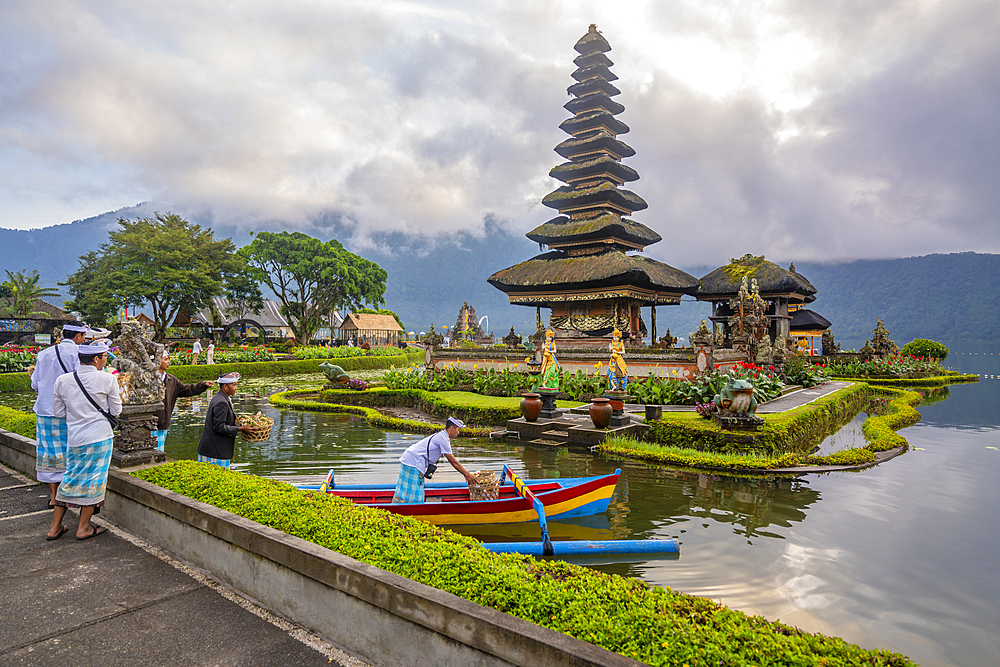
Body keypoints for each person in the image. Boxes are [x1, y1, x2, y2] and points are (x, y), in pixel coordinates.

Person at [48, 340, 122, 540]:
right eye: (105, 357)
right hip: (99, 438)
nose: (106, 361)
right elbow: (116, 411)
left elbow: (59, 411)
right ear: (96, 359)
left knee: (69, 478)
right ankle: (84, 528)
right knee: (94, 481)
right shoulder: (108, 380)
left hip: (75, 438)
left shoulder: (63, 380)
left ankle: (55, 527)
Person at [30, 321, 88, 509]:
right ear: (78, 337)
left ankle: (54, 498)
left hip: (45, 412)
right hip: (69, 411)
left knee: (49, 453)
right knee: (72, 452)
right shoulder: (78, 354)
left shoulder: (43, 354)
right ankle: (70, 495)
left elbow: (35, 384)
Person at [392, 417, 475, 503]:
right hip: (413, 461)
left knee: (408, 488)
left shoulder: (442, 436)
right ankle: (410, 509)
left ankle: (401, 506)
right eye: (458, 429)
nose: (458, 432)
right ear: (452, 428)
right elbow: (453, 461)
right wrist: (467, 474)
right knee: (414, 492)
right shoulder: (443, 439)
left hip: (410, 459)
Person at [151, 351, 215, 451]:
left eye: (168, 359)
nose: (168, 362)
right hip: (149, 424)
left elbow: (187, 389)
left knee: (159, 452)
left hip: (163, 423)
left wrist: (203, 385)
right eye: (166, 359)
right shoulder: (147, 379)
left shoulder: (171, 380)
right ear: (157, 361)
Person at [196, 372, 253, 468]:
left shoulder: (220, 396)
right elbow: (219, 427)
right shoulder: (221, 402)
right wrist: (240, 429)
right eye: (234, 385)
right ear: (225, 386)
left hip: (213, 449)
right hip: (215, 452)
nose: (236, 388)